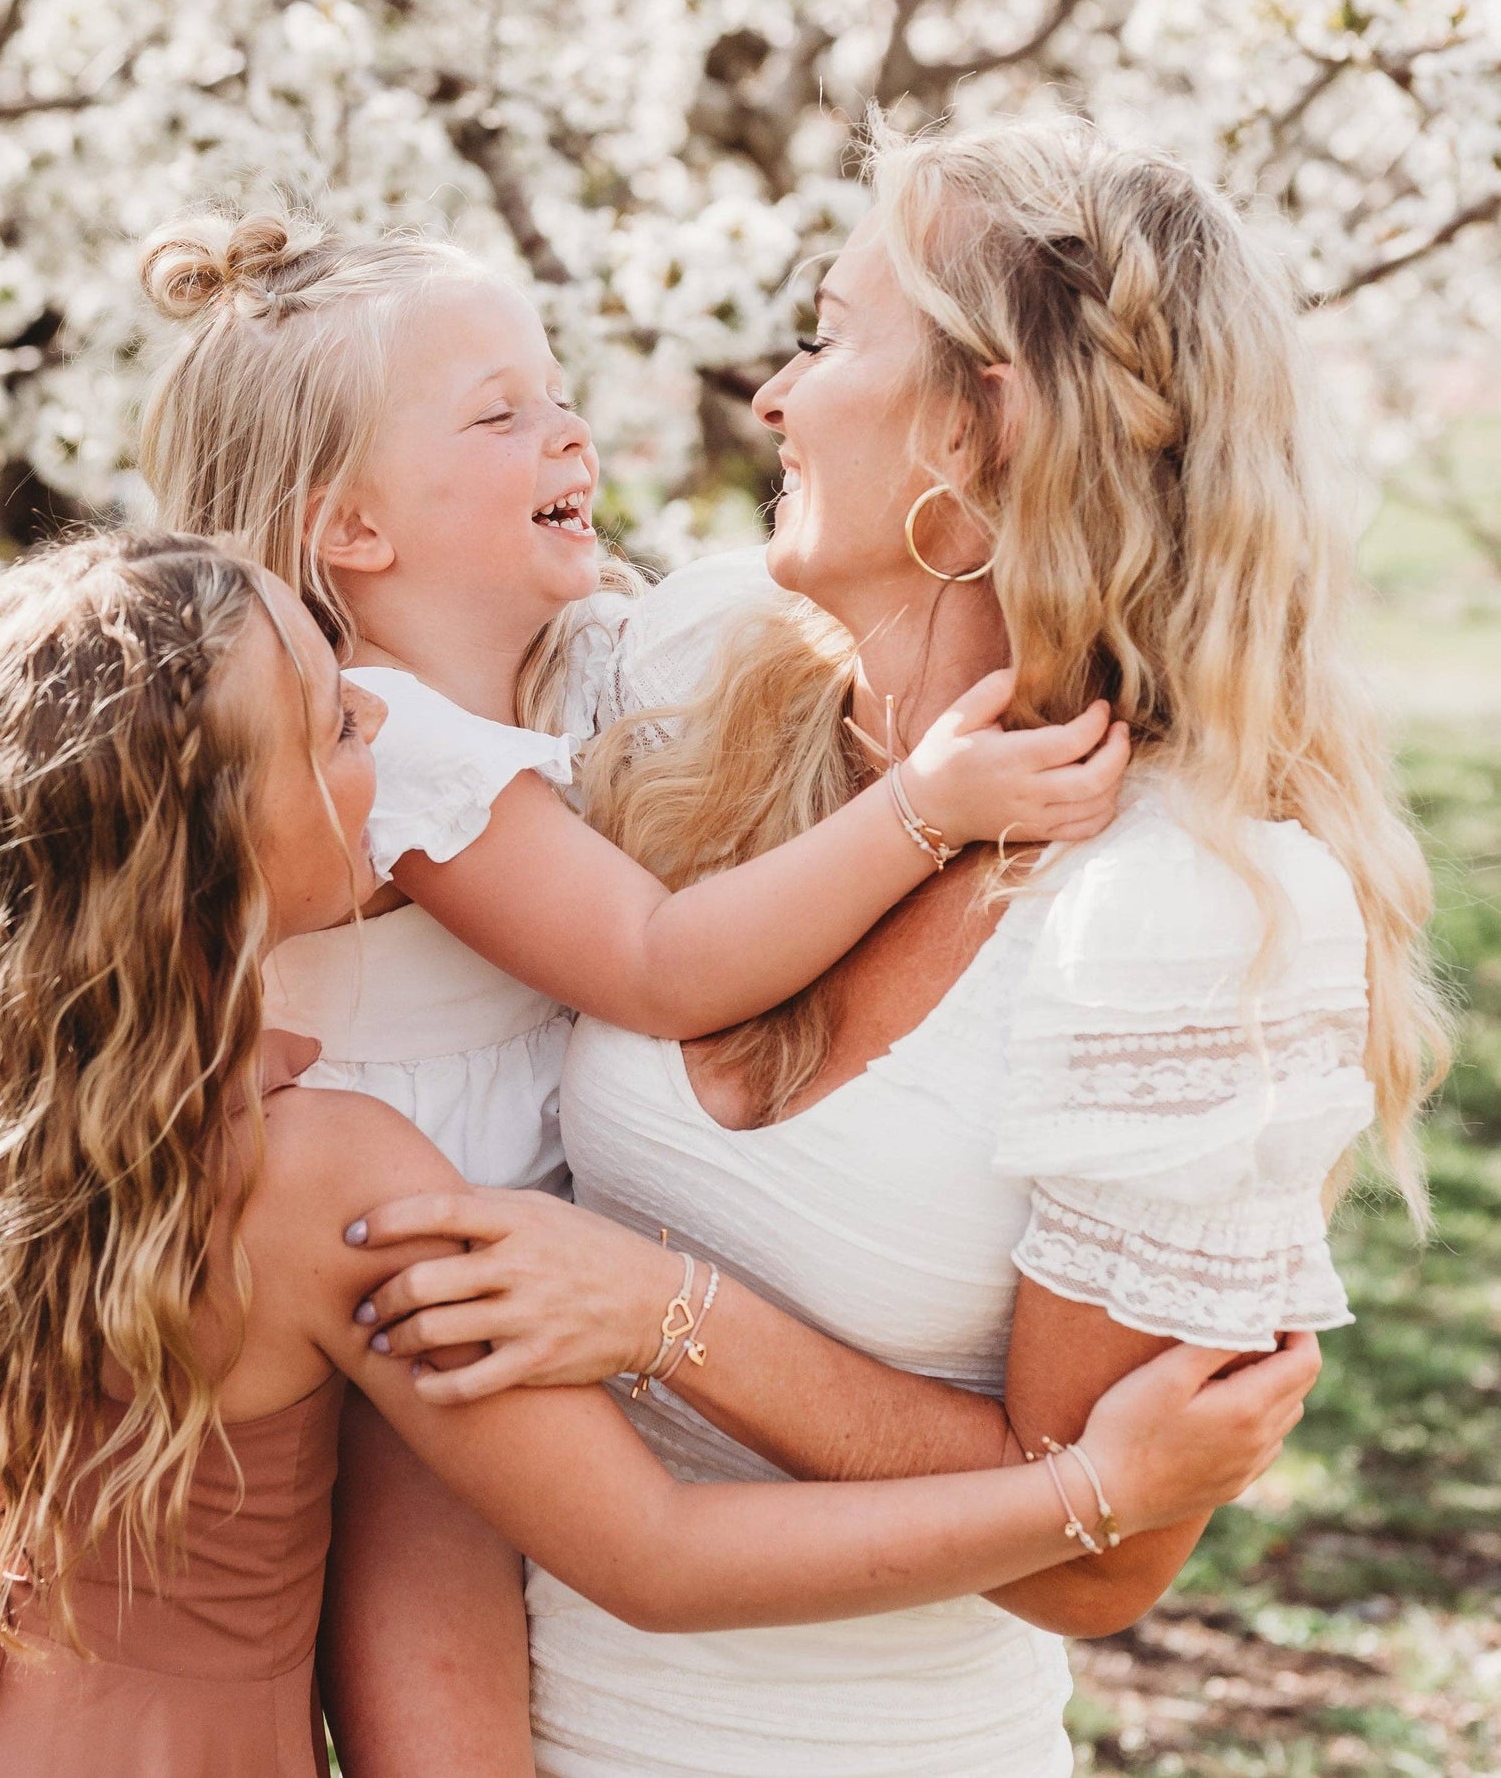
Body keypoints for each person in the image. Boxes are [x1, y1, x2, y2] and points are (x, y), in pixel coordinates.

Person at [0, 531, 1316, 1778]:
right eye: (336, 726)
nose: (380, 720)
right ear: (210, 851)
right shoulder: (323, 1175)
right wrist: (1094, 1491)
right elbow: (654, 1553)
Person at [344, 119, 1450, 1776]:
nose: (773, 400)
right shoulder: (700, 673)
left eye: (825, 338)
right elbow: (374, 717)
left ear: (980, 424)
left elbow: (1102, 1561)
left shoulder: (1183, 912)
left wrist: (667, 1316)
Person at [135, 208, 1129, 1770]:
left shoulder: (579, 659)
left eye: (556, 389)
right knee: (441, 1639)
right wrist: (923, 812)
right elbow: (660, 966)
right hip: (405, 1245)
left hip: (491, 1220)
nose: (569, 429)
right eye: (499, 415)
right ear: (353, 530)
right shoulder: (387, 737)